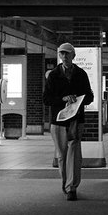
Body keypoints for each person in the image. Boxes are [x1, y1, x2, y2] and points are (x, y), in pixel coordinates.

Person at [44, 42, 93, 201]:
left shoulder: (81, 74)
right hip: (58, 121)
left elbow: (90, 96)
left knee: (74, 153)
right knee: (61, 155)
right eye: (62, 53)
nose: (64, 56)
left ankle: (72, 188)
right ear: (59, 55)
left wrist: (78, 99)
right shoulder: (53, 75)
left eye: (67, 53)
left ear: (73, 56)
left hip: (76, 120)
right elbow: (46, 99)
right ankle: (65, 183)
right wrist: (63, 99)